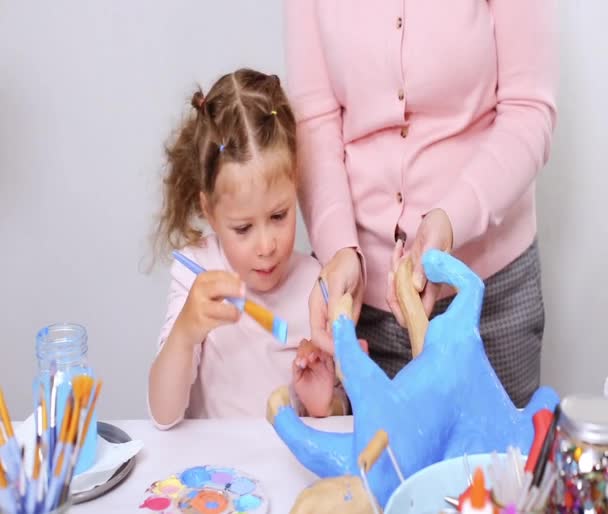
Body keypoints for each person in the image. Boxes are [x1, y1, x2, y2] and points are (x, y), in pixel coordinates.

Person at [285, 0, 557, 407]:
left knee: (497, 468)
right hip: (362, 315)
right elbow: (314, 121)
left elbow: (528, 110)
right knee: (372, 469)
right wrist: (338, 247)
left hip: (489, 301)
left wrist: (451, 220)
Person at [148, 68, 349, 428]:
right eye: (243, 228)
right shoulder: (198, 272)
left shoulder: (316, 286)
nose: (266, 246)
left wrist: (324, 405)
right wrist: (185, 333)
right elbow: (164, 415)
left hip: (289, 476)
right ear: (209, 211)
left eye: (278, 216)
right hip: (213, 476)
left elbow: (340, 419)